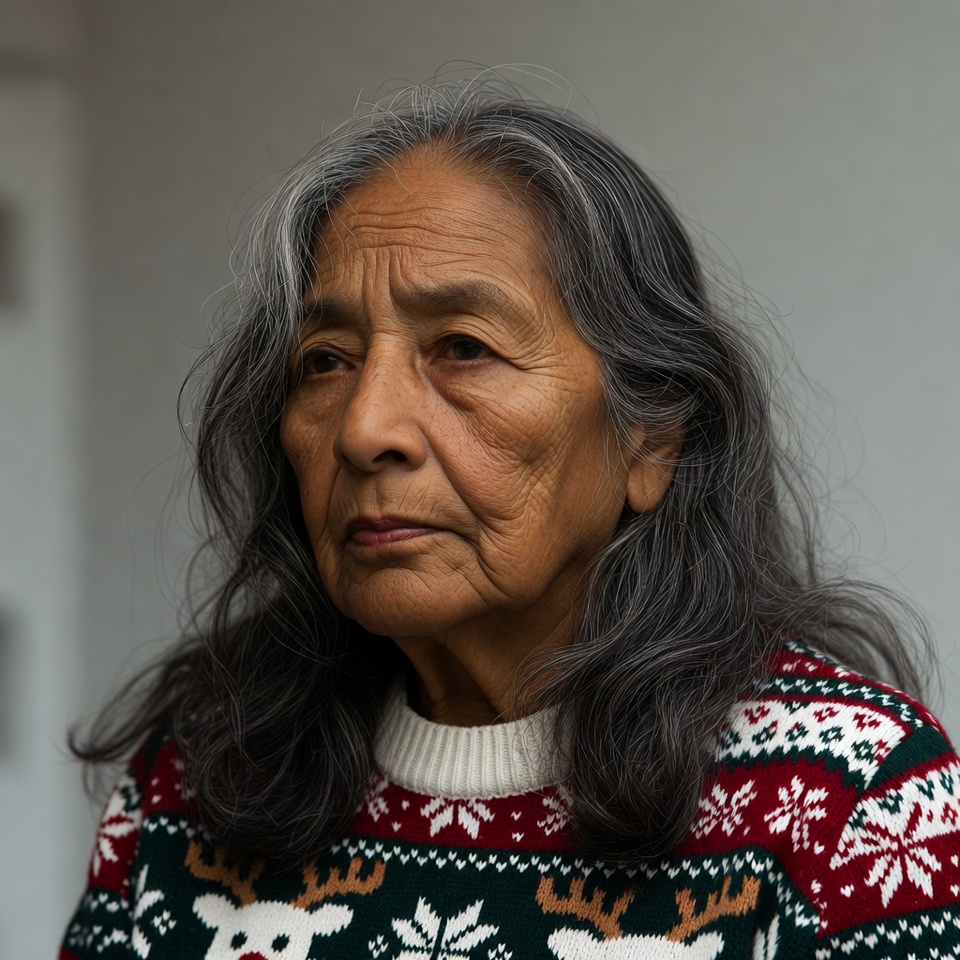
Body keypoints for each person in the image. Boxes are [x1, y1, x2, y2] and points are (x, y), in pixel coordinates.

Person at [61, 80, 960, 959]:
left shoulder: (852, 804)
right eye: (325, 360)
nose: (366, 428)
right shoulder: (196, 780)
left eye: (463, 349)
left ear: (651, 440)